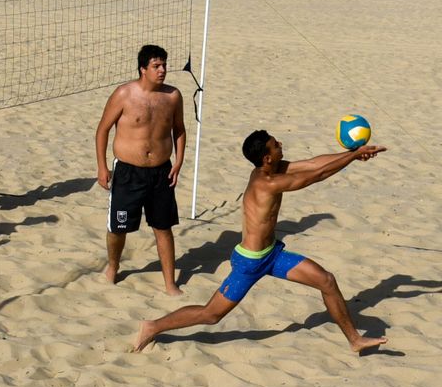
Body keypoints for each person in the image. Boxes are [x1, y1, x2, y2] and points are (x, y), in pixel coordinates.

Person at [132, 130, 389, 353]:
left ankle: (354, 339)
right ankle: (153, 326)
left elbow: (313, 163)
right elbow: (317, 175)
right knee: (210, 315)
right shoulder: (267, 183)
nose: (281, 147)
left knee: (326, 280)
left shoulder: (271, 168)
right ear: (267, 158)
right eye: (277, 146)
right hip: (250, 263)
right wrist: (353, 157)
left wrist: (353, 154)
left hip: (273, 255)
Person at [96, 44, 187, 295]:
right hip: (128, 172)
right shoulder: (124, 94)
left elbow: (179, 130)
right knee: (118, 227)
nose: (162, 70)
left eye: (164, 65)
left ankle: (170, 283)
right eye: (156, 66)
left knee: (163, 227)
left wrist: (179, 161)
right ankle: (113, 267)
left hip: (161, 171)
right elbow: (103, 129)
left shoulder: (172, 96)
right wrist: (102, 166)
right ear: (143, 69)